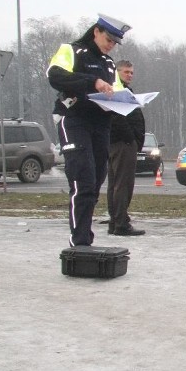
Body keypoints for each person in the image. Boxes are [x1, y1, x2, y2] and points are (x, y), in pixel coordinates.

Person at [47, 13, 131, 247]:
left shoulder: (108, 63)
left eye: (115, 42)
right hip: (74, 119)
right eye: (108, 39)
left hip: (100, 123)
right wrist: (92, 82)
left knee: (95, 181)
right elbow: (55, 76)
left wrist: (127, 101)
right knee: (82, 179)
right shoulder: (72, 51)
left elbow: (114, 92)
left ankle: (85, 236)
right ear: (96, 31)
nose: (111, 45)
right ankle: (80, 241)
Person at [107, 60, 146, 236]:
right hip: (123, 143)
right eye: (126, 72)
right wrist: (131, 137)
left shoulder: (121, 90)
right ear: (117, 72)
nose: (130, 75)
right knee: (123, 184)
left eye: (131, 72)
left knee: (115, 184)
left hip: (118, 142)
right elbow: (117, 117)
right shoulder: (117, 91)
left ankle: (115, 221)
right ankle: (120, 223)